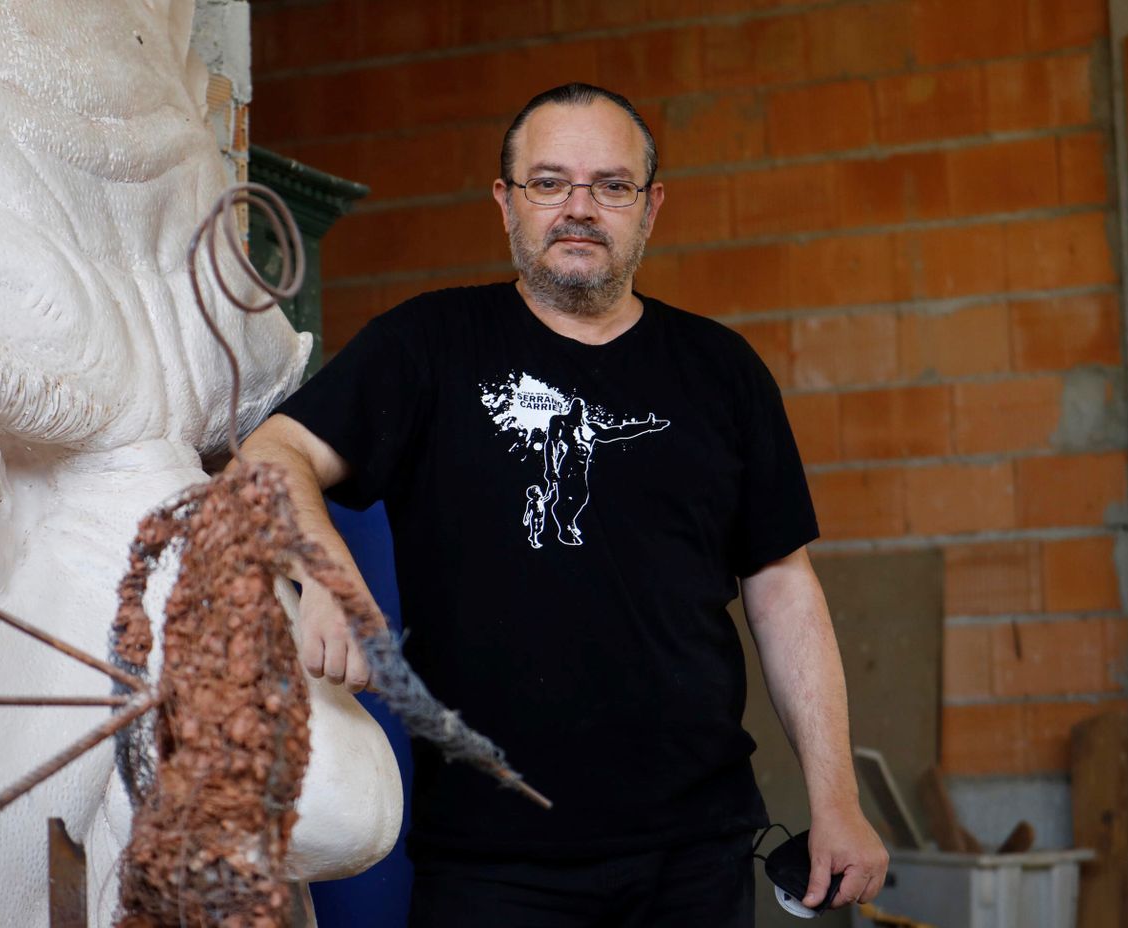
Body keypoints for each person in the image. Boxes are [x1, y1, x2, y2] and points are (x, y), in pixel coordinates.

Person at [240, 82, 888, 926]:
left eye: (611, 186)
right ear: (505, 201)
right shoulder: (429, 345)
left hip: (696, 854)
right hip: (491, 861)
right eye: (549, 183)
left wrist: (836, 800)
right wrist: (326, 574)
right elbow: (270, 454)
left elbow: (785, 589)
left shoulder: (721, 370)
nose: (579, 208)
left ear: (651, 207)